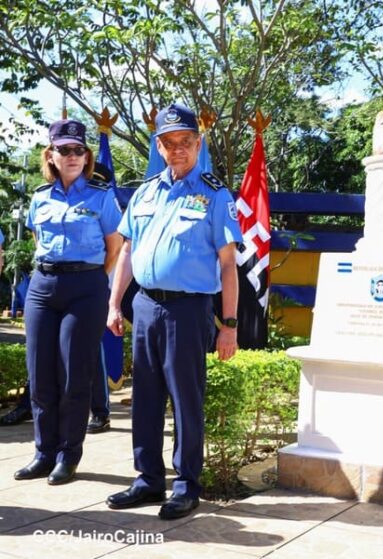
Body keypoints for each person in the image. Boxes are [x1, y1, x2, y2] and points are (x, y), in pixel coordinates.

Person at [105, 103, 242, 520]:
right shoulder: (145, 192)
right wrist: (114, 304)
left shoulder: (215, 195)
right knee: (144, 397)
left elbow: (228, 264)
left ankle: (186, 485)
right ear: (159, 148)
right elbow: (127, 251)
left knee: (185, 399)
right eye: (169, 143)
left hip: (188, 309)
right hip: (145, 306)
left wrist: (230, 325)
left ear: (198, 145)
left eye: (185, 142)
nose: (177, 149)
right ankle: (148, 480)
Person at [13, 119, 122, 485]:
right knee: (40, 373)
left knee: (74, 373)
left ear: (87, 155)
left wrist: (91, 278)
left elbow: (114, 248)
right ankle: (43, 452)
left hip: (85, 287)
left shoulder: (101, 196)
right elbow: (36, 237)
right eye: (64, 149)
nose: (72, 155)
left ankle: (68, 455)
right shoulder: (40, 197)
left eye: (78, 149)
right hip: (43, 286)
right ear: (52, 155)